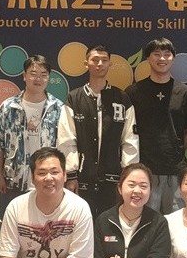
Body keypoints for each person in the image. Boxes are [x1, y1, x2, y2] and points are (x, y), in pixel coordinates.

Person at [57, 44, 139, 219]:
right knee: (79, 222)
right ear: (86, 63)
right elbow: (66, 139)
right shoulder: (74, 98)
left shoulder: (121, 98)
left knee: (110, 224)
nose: (100, 64)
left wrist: (128, 176)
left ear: (110, 64)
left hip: (114, 178)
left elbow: (130, 140)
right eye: (95, 60)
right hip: (82, 178)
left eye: (104, 60)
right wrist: (70, 175)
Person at [125, 38, 187, 214]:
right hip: (144, 171)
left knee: (177, 222)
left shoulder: (186, 93)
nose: (162, 58)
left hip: (175, 170)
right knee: (147, 221)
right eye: (157, 54)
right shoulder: (133, 92)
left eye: (167, 54)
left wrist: (176, 149)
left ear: (173, 58)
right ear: (148, 58)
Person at [0, 55, 64, 217]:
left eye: (43, 74)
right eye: (33, 73)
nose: (38, 79)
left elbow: (64, 148)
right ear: (24, 76)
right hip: (14, 181)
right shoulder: (8, 107)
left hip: (48, 181)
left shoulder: (58, 108)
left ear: (49, 78)